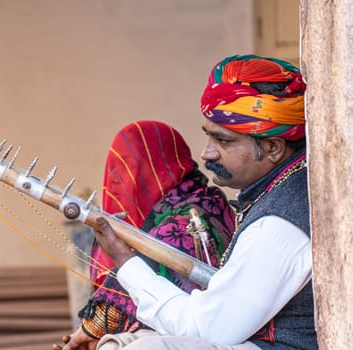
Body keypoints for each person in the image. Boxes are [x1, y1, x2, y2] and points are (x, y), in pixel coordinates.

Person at [55, 54, 316, 350]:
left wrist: (126, 262)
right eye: (209, 138)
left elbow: (210, 329)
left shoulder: (278, 223)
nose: (207, 154)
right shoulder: (278, 193)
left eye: (224, 141)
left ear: (272, 148)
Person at [85, 120, 236, 340]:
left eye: (131, 170)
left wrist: (92, 331)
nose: (122, 186)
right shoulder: (208, 202)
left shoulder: (187, 222)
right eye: (116, 174)